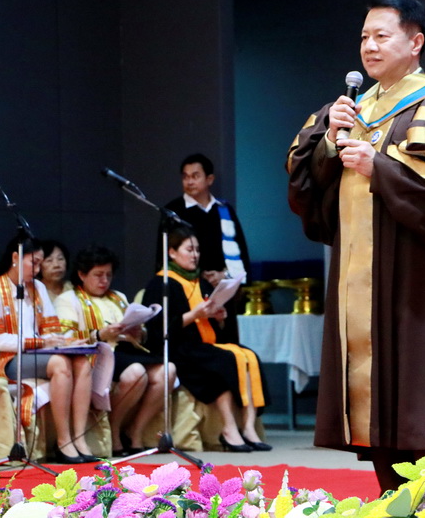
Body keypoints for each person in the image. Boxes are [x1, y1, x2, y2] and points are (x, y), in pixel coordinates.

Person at [286, 0, 425, 491]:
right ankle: (392, 498)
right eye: (364, 37)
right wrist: (327, 143)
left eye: (382, 36)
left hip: (419, 284)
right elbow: (303, 182)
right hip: (361, 283)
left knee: (423, 405)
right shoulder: (350, 109)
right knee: (379, 412)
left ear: (415, 42)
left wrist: (377, 166)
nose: (369, 46)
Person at [142, 226, 270, 452]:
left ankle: (249, 428)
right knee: (225, 361)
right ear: (172, 252)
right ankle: (229, 429)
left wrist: (218, 317)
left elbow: (212, 326)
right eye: (189, 250)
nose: (195, 255)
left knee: (249, 356)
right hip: (179, 349)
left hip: (203, 345)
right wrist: (195, 315)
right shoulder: (161, 284)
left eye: (197, 250)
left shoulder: (200, 283)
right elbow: (157, 329)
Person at [0, 235, 96, 464]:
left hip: (37, 355)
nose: (38, 270)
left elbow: (50, 330)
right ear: (15, 257)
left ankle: (79, 438)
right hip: (5, 360)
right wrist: (39, 343)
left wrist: (65, 342)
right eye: (34, 263)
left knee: (81, 361)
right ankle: (63, 441)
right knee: (60, 363)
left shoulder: (37, 287)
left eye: (40, 263)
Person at [54, 245, 176, 457]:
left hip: (127, 350)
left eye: (108, 275)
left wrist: (138, 331)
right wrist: (100, 334)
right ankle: (114, 428)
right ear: (82, 275)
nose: (104, 281)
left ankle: (136, 430)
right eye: (98, 275)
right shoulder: (68, 299)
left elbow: (139, 330)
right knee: (136, 372)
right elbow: (66, 338)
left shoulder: (117, 296)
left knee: (168, 370)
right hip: (98, 354)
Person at [162, 153, 251, 343]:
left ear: (209, 179)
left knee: (228, 343)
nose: (189, 181)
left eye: (195, 176)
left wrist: (224, 274)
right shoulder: (173, 212)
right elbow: (164, 256)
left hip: (222, 288)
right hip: (189, 289)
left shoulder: (224, 209)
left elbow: (240, 250)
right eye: (185, 177)